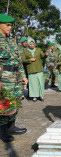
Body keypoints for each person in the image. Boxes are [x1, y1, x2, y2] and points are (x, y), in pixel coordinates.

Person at [0, 14, 28, 143]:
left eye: (11, 25)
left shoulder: (11, 40)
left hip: (16, 78)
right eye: (7, 25)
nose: (10, 27)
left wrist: (23, 75)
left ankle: (11, 126)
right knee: (5, 105)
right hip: (4, 78)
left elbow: (18, 60)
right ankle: (3, 131)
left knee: (16, 102)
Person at [22, 38, 48, 102]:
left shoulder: (38, 50)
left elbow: (42, 56)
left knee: (40, 83)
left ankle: (41, 95)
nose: (32, 45)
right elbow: (23, 60)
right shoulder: (25, 51)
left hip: (39, 69)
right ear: (28, 44)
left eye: (33, 44)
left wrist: (45, 55)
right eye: (30, 44)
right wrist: (29, 60)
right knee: (33, 84)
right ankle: (34, 96)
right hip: (31, 70)